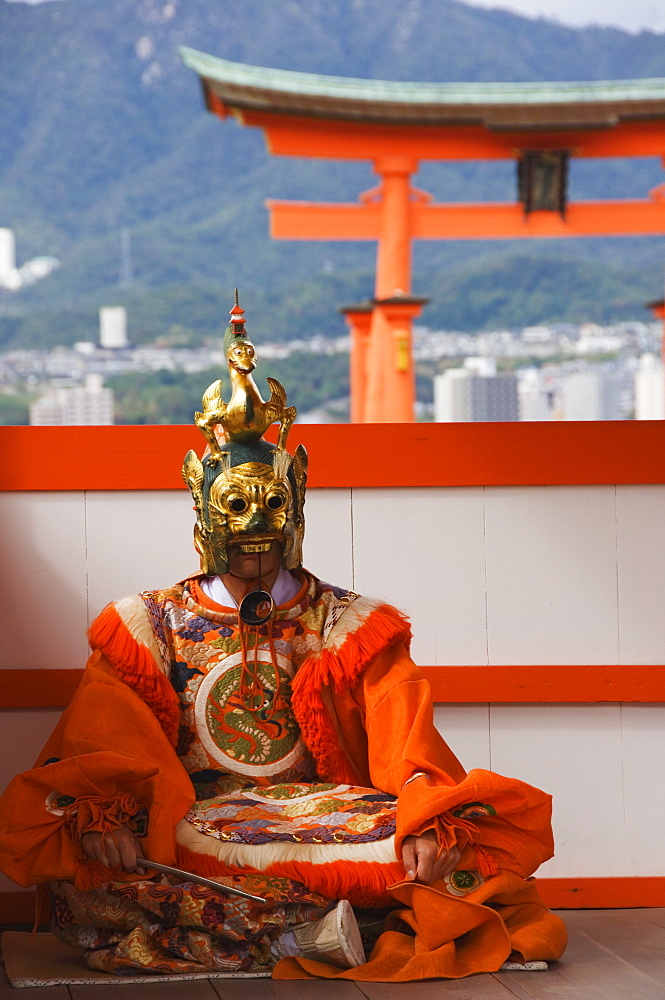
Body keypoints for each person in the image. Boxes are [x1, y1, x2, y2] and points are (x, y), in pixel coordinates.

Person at [0, 296, 567, 981]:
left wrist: (425, 826)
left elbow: (405, 744)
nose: (254, 525)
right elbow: (105, 741)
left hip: (331, 824)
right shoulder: (146, 627)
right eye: (235, 506)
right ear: (202, 509)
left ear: (297, 503)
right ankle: (326, 931)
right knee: (90, 887)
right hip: (192, 824)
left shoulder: (351, 625)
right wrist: (106, 819)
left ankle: (290, 931)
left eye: (271, 504)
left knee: (456, 863)